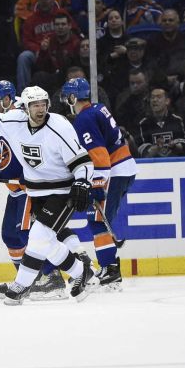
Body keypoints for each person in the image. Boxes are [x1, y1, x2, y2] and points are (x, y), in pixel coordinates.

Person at [0, 84, 97, 305]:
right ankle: (82, 271)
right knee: (48, 243)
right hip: (36, 192)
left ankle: (22, 285)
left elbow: (82, 160)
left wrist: (82, 182)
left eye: (43, 104)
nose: (40, 109)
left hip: (62, 191)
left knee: (38, 237)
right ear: (24, 108)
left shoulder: (59, 126)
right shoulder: (14, 121)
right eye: (34, 105)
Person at [0, 81, 68, 301]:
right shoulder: (0, 124)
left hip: (30, 189)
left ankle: (52, 278)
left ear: (7, 100)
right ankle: (26, 280)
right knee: (10, 235)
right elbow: (8, 160)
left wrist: (0, 174)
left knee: (29, 234)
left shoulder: (17, 121)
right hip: (16, 190)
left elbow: (26, 160)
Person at [61, 78, 138, 290]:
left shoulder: (84, 119)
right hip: (123, 168)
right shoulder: (97, 109)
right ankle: (109, 268)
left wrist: (96, 184)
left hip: (113, 171)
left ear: (73, 97)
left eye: (67, 96)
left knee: (98, 222)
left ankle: (110, 270)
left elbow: (100, 157)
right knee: (99, 221)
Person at [136, 86, 185, 157]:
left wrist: (175, 146)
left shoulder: (177, 120)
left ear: (167, 101)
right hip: (153, 165)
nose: (154, 100)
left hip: (177, 164)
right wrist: (156, 148)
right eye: (152, 97)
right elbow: (141, 152)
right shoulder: (143, 123)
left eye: (159, 97)